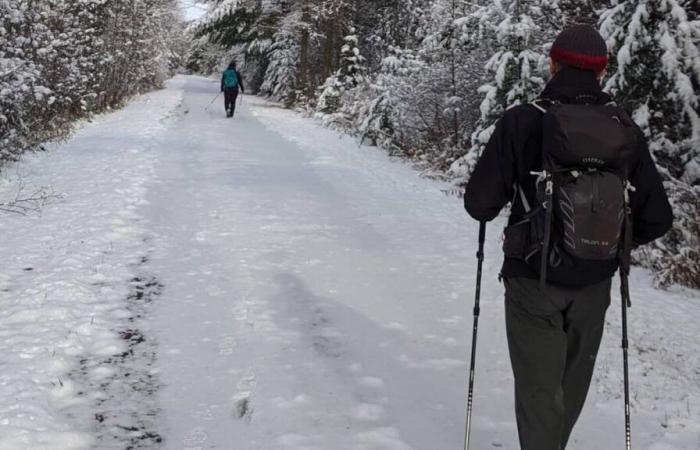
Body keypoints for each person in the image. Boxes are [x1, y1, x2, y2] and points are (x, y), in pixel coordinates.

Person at [463, 25, 673, 450]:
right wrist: (608, 244)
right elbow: (658, 218)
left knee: (539, 393)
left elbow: (479, 204)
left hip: (531, 279)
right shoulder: (623, 129)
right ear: (601, 72)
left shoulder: (523, 120)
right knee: (569, 388)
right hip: (594, 282)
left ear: (553, 63)